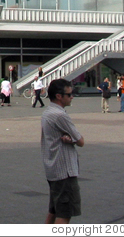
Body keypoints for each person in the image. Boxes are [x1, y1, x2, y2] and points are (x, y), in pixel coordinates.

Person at [41, 78, 85, 224]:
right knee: (64, 214)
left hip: (53, 168)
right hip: (64, 171)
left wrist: (69, 138)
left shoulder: (48, 112)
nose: (72, 97)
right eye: (69, 94)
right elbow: (80, 140)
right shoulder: (60, 115)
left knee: (53, 210)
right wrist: (72, 139)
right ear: (59, 96)